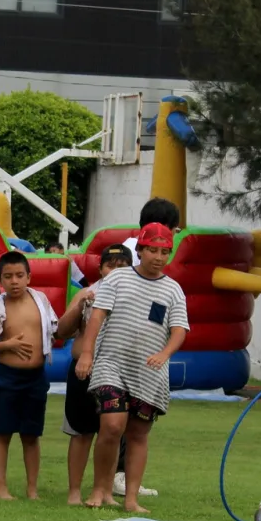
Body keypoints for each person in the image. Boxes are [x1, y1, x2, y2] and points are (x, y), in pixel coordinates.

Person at [77, 223, 189, 512]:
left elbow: (179, 329)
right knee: (112, 425)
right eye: (152, 250)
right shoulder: (117, 280)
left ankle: (131, 499)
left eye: (165, 251)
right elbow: (97, 316)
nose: (159, 257)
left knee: (138, 433)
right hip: (112, 364)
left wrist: (165, 353)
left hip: (149, 373)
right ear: (139, 250)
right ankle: (100, 489)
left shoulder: (173, 290)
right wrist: (86, 354)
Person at [113, 197, 182, 500]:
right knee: (121, 421)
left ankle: (123, 478)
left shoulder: (144, 252)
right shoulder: (131, 255)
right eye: (174, 227)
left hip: (146, 350)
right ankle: (117, 477)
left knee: (133, 421)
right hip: (125, 352)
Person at [0, 251, 57, 500]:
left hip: (36, 377)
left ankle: (32, 489)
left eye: (19, 276)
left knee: (31, 435)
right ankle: (2, 487)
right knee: (2, 433)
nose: (14, 281)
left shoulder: (40, 300)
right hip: (8, 376)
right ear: (0, 279)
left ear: (29, 277)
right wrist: (7, 345)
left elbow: (56, 328)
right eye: (8, 277)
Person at [58, 243, 132, 505]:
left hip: (117, 372)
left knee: (111, 433)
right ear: (101, 268)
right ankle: (74, 491)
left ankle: (105, 491)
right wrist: (80, 306)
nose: (115, 270)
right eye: (110, 265)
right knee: (81, 432)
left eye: (123, 265)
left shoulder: (135, 296)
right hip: (83, 371)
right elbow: (62, 332)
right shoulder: (88, 293)